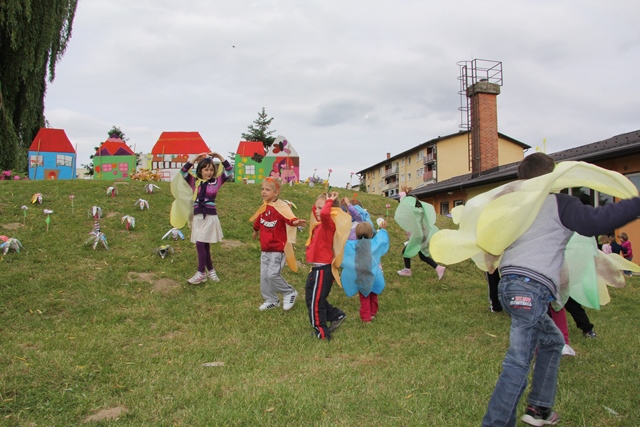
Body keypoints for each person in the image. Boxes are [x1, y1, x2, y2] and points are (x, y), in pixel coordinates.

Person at [481, 153, 640, 427]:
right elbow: (596, 222)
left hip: (509, 287)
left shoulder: (514, 207)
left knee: (554, 341)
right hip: (530, 289)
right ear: (553, 177)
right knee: (518, 361)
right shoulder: (559, 203)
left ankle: (539, 408)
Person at [251, 177, 307, 311]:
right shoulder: (264, 207)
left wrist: (295, 222)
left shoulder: (281, 207)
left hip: (278, 248)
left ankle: (289, 292)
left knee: (272, 274)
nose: (263, 192)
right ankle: (271, 299)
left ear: (276, 192)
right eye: (262, 189)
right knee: (264, 276)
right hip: (265, 247)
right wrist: (255, 230)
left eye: (267, 190)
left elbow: (289, 219)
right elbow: (259, 219)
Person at [179, 152, 233, 284]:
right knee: (205, 245)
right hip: (197, 217)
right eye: (206, 169)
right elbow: (183, 172)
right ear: (200, 170)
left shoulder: (216, 182)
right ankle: (211, 271)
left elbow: (229, 170)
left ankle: (201, 272)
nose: (209, 172)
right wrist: (194, 159)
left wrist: (219, 156)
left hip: (209, 217)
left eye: (211, 169)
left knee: (200, 243)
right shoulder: (194, 182)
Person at [305, 192, 350, 340]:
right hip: (316, 269)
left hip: (323, 270)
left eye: (320, 208)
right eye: (316, 207)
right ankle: (337, 315)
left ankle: (322, 332)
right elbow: (318, 211)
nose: (317, 211)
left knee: (316, 303)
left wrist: (330, 201)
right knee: (312, 298)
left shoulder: (328, 223)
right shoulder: (319, 225)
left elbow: (325, 213)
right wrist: (322, 200)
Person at [340, 220, 390, 323]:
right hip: (374, 275)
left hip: (361, 276)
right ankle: (373, 313)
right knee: (373, 293)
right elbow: (381, 239)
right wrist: (383, 230)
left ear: (356, 234)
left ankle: (366, 318)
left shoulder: (351, 245)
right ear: (371, 233)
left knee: (364, 296)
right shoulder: (373, 244)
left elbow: (342, 246)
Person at [396, 194, 445, 280]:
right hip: (423, 234)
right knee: (422, 256)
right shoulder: (420, 209)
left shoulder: (414, 211)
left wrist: (403, 198)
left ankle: (407, 270)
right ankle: (438, 268)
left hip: (418, 235)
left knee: (406, 251)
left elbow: (406, 211)